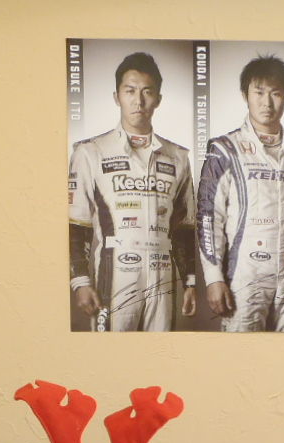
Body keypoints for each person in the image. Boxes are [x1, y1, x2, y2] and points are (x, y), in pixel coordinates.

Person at [68, 52, 198, 331]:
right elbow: (77, 224)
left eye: (147, 92)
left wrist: (190, 281)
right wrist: (80, 281)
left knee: (161, 354)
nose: (139, 101)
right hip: (114, 274)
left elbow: (184, 228)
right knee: (111, 354)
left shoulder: (177, 156)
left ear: (158, 99)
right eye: (130, 91)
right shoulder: (91, 152)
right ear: (117, 97)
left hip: (163, 276)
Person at [197, 55, 284, 332]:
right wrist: (214, 278)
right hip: (244, 276)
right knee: (244, 356)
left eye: (276, 93)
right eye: (259, 92)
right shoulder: (225, 148)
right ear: (245, 95)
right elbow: (208, 217)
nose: (267, 103)